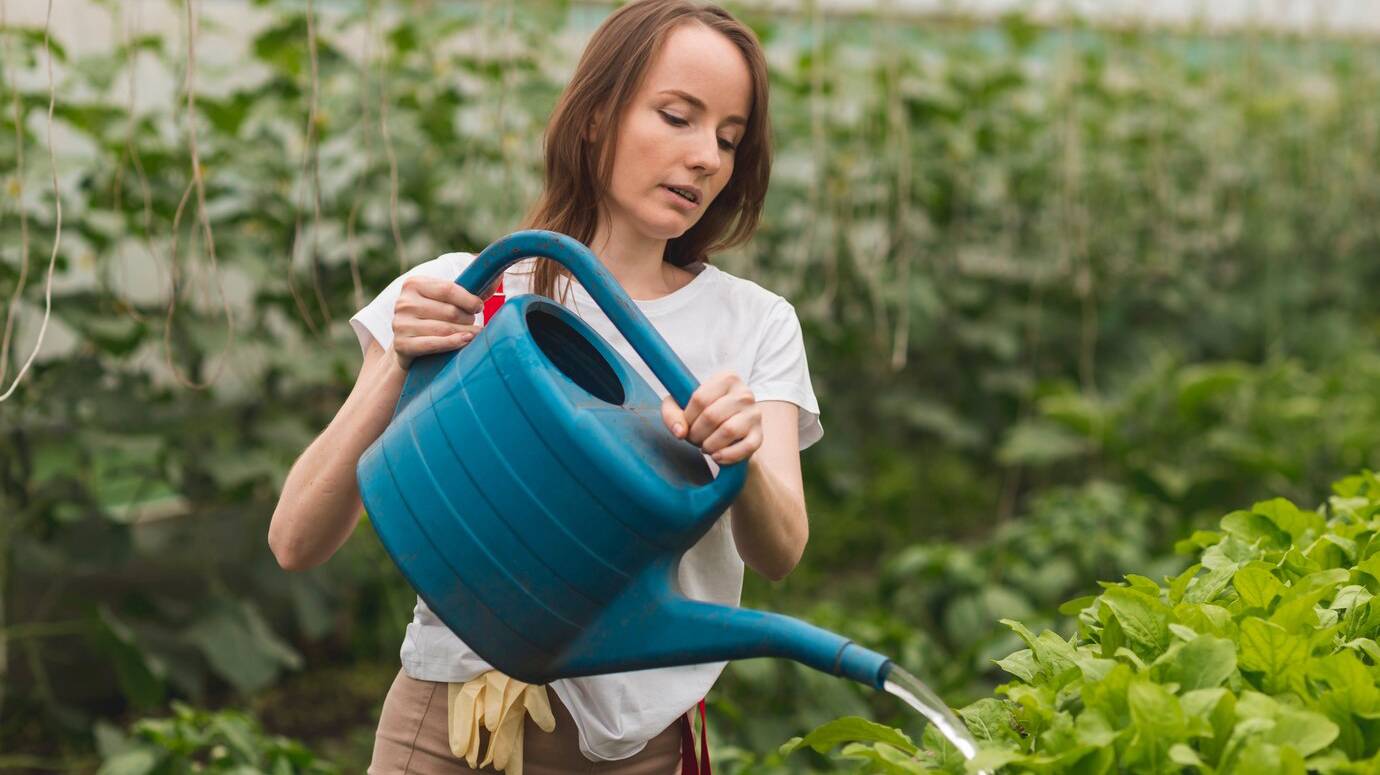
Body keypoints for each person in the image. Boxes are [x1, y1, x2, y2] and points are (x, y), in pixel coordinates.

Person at [268, 1, 822, 772]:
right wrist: (400, 360)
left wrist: (742, 457)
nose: (706, 158)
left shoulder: (753, 324)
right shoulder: (464, 292)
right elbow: (297, 539)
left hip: (638, 746)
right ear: (595, 116)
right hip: (441, 728)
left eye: (729, 139)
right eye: (677, 117)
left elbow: (781, 549)